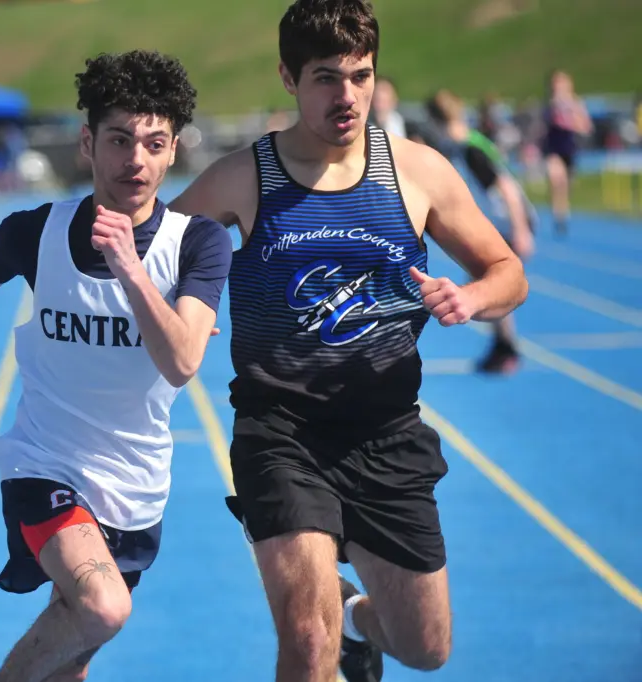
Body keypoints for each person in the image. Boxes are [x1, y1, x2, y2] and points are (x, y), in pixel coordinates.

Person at [168, 2, 529, 681]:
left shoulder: (417, 172)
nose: (347, 96)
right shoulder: (243, 178)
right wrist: (186, 304)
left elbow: (507, 271)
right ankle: (329, 626)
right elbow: (158, 256)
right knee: (307, 642)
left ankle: (356, 623)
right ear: (288, 78)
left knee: (425, 647)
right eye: (326, 78)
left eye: (361, 76)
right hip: (282, 431)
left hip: (386, 431)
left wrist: (472, 298)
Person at [0, 49, 232, 682]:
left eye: (154, 144)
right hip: (44, 464)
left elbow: (181, 362)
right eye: (119, 140)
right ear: (88, 143)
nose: (136, 160)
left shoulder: (198, 243)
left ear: (174, 150)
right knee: (103, 606)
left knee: (69, 657)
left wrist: (130, 268)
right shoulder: (36, 232)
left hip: (136, 484)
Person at [426, 89, 535, 374]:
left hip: (507, 221)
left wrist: (521, 229)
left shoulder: (470, 149)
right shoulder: (467, 143)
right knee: (484, 281)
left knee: (490, 282)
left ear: (437, 122)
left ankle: (506, 347)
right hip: (499, 220)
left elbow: (507, 189)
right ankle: (503, 344)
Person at [541, 69, 592, 236]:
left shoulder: (576, 103)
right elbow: (552, 120)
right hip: (553, 149)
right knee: (557, 179)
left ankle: (563, 212)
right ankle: (558, 215)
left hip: (569, 149)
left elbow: (585, 126)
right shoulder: (551, 103)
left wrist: (575, 120)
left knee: (566, 186)